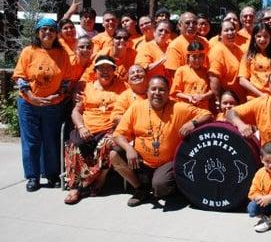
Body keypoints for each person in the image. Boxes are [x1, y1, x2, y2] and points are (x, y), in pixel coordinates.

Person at [111, 76, 213, 206]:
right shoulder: (136, 107)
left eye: (161, 90)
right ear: (147, 92)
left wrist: (192, 123)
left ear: (168, 92)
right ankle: (141, 189)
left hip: (167, 162)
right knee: (114, 155)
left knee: (161, 186)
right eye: (153, 89)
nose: (157, 93)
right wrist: (129, 148)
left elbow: (208, 114)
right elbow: (118, 134)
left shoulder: (179, 107)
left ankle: (162, 186)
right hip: (141, 161)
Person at [13, 17, 71, 192]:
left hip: (53, 105)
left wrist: (58, 95)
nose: (48, 33)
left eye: (51, 30)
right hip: (29, 105)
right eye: (44, 29)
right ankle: (33, 177)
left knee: (51, 140)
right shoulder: (28, 51)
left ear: (56, 34)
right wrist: (31, 97)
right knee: (31, 141)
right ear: (38, 32)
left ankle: (52, 174)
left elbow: (66, 80)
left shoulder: (62, 54)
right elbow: (20, 77)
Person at [63, 56, 127, 204]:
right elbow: (75, 112)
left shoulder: (123, 87)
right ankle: (75, 187)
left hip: (109, 129)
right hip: (87, 128)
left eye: (109, 68)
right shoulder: (87, 88)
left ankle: (100, 179)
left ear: (114, 71)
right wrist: (81, 127)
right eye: (101, 68)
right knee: (74, 145)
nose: (105, 72)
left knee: (108, 143)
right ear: (95, 71)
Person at [208, 20, 245, 102]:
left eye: (232, 29)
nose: (230, 32)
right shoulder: (217, 51)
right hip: (227, 101)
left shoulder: (239, 50)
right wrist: (217, 101)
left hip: (241, 99)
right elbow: (214, 78)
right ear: (220, 35)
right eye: (226, 30)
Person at [170, 41, 213, 110]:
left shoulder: (207, 71)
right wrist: (189, 97)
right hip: (185, 108)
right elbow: (175, 93)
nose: (197, 60)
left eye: (200, 56)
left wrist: (202, 97)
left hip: (202, 110)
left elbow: (212, 90)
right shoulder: (181, 71)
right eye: (194, 57)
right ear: (188, 57)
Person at [165, 12, 210, 77]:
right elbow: (174, 75)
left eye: (194, 23)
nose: (191, 26)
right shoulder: (174, 46)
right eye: (187, 23)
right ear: (180, 26)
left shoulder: (204, 42)